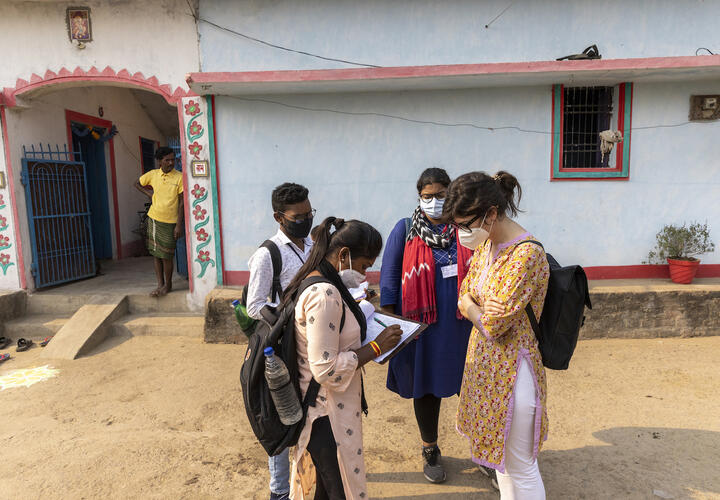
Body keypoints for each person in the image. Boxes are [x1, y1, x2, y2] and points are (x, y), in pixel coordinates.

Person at [445, 171, 550, 500]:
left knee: (520, 466)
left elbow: (493, 324)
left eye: (465, 224)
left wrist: (474, 309)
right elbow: (464, 292)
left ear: (491, 213)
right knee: (502, 464)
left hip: (513, 373)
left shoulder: (525, 255)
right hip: (489, 370)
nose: (462, 233)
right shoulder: (488, 245)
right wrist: (477, 307)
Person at [285, 217, 402, 500]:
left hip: (330, 409)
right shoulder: (325, 294)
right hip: (326, 414)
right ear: (344, 255)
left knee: (328, 489)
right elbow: (325, 368)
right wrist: (375, 347)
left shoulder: (322, 279)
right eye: (364, 265)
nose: (364, 274)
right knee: (340, 490)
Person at [378, 168, 473, 483]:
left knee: (473, 386)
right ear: (419, 197)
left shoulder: (465, 228)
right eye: (428, 196)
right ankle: (430, 448)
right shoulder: (405, 229)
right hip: (422, 328)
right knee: (427, 387)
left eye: (441, 195)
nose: (435, 201)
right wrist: (393, 327)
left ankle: (483, 449)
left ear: (451, 194)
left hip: (463, 326)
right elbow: (390, 280)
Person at [246, 182, 315, 500]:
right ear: (279, 217)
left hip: (311, 346)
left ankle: (311, 477)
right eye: (298, 215)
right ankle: (279, 490)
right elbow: (254, 306)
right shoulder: (267, 255)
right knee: (279, 416)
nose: (305, 220)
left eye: (309, 212)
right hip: (282, 349)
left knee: (310, 412)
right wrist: (290, 314)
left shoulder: (310, 243)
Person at [135, 147, 184, 297]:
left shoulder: (179, 177)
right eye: (167, 160)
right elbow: (137, 183)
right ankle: (160, 284)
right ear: (159, 161)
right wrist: (148, 193)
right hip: (154, 219)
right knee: (156, 254)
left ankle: (168, 285)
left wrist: (178, 225)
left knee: (167, 255)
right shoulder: (153, 175)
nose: (171, 163)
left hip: (170, 223)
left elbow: (181, 203)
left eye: (172, 159)